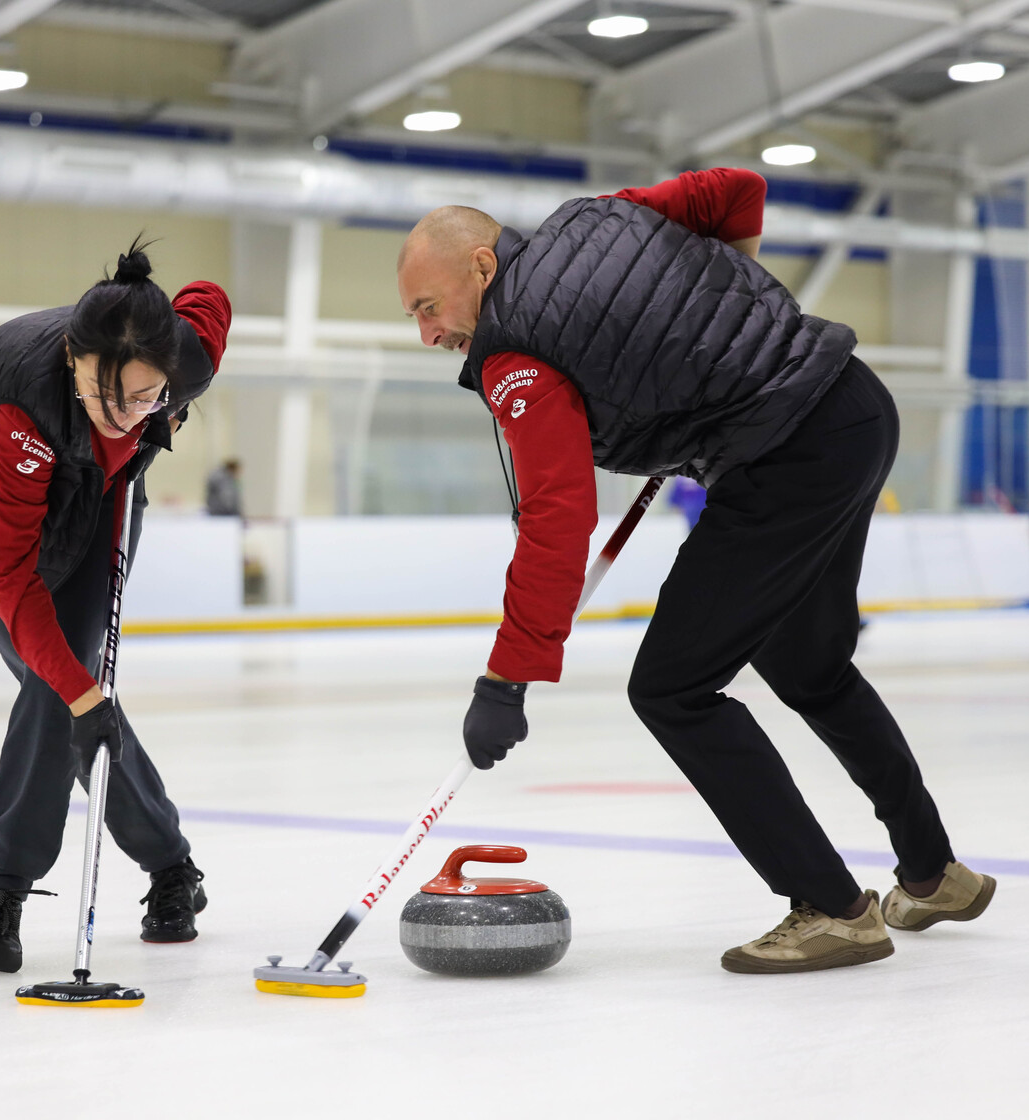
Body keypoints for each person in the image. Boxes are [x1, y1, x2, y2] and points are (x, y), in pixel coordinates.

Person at [396, 171, 993, 976]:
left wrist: (508, 678)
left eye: (428, 309)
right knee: (808, 666)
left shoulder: (515, 359)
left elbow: (557, 520)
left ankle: (833, 909)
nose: (427, 335)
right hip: (852, 407)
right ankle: (932, 873)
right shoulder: (596, 215)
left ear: (481, 266)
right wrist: (718, 342)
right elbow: (735, 191)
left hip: (786, 455)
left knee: (672, 690)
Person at [0, 238, 231, 972]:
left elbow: (211, 294)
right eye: (102, 394)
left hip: (102, 502)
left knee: (62, 692)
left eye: (145, 396)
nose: (121, 416)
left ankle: (5, 891)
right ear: (70, 361)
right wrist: (85, 697)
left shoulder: (183, 359)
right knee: (62, 688)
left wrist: (172, 409)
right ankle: (172, 866)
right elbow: (12, 574)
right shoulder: (24, 413)